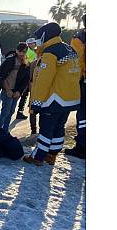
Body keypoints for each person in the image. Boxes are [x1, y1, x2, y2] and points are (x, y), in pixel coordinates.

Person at [23, 22, 81, 166]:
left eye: (38, 37)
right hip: (68, 100)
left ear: (45, 35)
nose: (36, 41)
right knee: (59, 128)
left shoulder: (50, 53)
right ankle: (52, 155)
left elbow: (43, 81)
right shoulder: (69, 50)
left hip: (53, 100)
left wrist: (36, 103)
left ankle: (38, 157)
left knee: (46, 128)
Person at [0, 42, 31, 131]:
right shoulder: (9, 61)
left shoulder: (26, 63)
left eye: (24, 51)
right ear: (16, 50)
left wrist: (19, 91)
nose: (21, 53)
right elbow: (0, 77)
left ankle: (5, 131)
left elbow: (26, 80)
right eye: (20, 51)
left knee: (11, 112)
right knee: (5, 112)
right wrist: (7, 90)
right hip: (7, 90)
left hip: (16, 92)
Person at [65, 14, 86, 159]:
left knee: (84, 116)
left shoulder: (80, 38)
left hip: (85, 81)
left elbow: (76, 60)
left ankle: (82, 147)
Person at [15, 38, 38, 120]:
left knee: (23, 95)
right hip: (28, 75)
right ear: (29, 44)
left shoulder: (30, 51)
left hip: (26, 74)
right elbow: (31, 64)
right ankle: (19, 112)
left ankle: (19, 111)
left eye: (34, 43)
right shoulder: (30, 53)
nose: (34, 44)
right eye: (32, 43)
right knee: (24, 95)